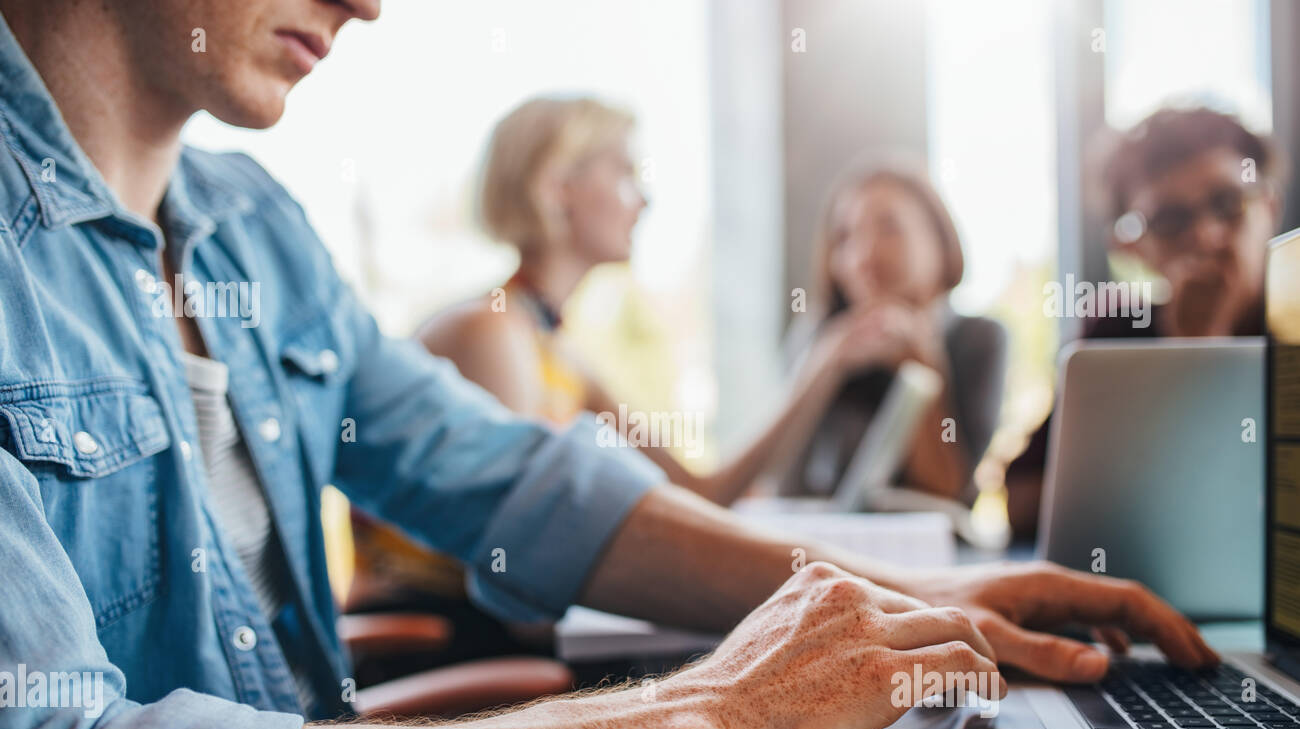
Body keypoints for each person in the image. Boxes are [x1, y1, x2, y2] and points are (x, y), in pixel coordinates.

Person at [0, 0, 1216, 729]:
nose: (369, 5)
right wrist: (717, 710)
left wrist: (934, 589)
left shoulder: (255, 228)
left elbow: (537, 489)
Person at [348, 97, 927, 638]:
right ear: (557, 189)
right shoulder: (492, 332)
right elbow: (516, 542)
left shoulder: (560, 353)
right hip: (451, 635)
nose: (643, 200)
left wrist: (824, 368)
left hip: (502, 630)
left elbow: (702, 492)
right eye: (624, 173)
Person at [1005, 107, 1286, 539]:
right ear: (1130, 247)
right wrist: (1190, 354)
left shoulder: (1295, 325)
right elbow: (1023, 501)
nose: (1206, 236)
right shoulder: (1115, 333)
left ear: (1270, 205)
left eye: (1227, 203)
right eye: (1171, 220)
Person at [779, 159, 1007, 504]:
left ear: (940, 243)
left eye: (889, 229)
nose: (863, 255)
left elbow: (948, 492)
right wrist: (825, 367)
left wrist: (920, 365)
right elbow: (775, 481)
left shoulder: (977, 339)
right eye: (844, 237)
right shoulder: (819, 339)